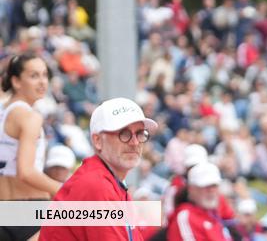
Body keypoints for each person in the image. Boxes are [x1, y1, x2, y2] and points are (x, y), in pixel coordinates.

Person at [40, 97, 158, 241]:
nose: (134, 142)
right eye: (124, 134)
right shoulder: (95, 185)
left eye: (140, 133)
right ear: (97, 141)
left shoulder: (111, 181)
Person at [1, 53, 61, 241]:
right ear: (16, 81)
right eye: (34, 76)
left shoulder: (3, 112)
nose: (43, 82)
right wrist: (67, 189)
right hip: (30, 213)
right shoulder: (30, 117)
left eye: (45, 75)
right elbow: (26, 172)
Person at [166, 162, 228, 241]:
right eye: (205, 186)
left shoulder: (213, 214)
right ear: (191, 189)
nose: (211, 191)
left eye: (214, 185)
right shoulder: (185, 216)